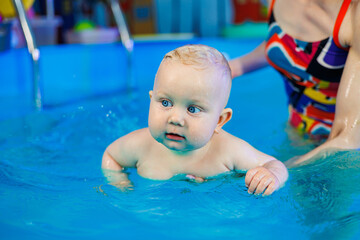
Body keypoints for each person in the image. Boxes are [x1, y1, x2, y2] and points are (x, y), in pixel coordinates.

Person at [102, 44, 288, 196]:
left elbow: (275, 165)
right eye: (166, 103)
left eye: (193, 109)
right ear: (151, 100)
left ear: (219, 121)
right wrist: (121, 187)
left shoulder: (228, 151)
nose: (175, 119)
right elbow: (111, 156)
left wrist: (271, 176)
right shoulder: (141, 145)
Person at [229, 0, 360, 166]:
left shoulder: (354, 13)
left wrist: (278, 169)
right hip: (297, 130)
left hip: (344, 157)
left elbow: (348, 139)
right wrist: (232, 68)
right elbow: (285, 45)